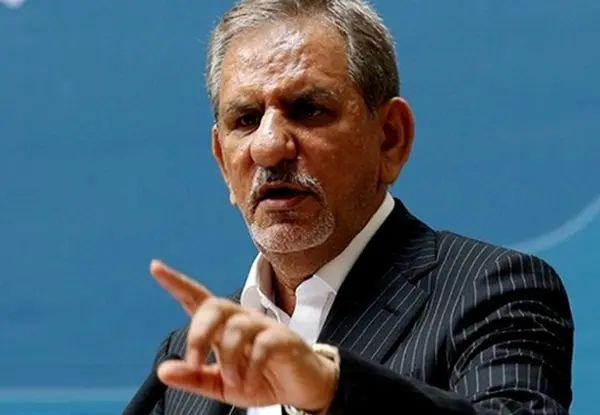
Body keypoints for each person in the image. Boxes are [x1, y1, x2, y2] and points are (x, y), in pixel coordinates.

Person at [134, 0, 574, 413]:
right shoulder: (189, 356)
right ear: (222, 162)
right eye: (246, 119)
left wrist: (329, 388)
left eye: (308, 110)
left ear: (390, 139)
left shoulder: (492, 293)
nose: (268, 147)